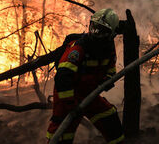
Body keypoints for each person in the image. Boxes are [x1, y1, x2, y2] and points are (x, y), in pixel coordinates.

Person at [46, 8, 124, 144]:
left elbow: (110, 69)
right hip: (68, 94)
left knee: (109, 117)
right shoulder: (78, 47)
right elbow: (62, 78)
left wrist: (108, 79)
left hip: (89, 93)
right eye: (94, 28)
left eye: (101, 31)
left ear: (111, 34)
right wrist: (70, 105)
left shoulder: (109, 48)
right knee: (63, 133)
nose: (95, 33)